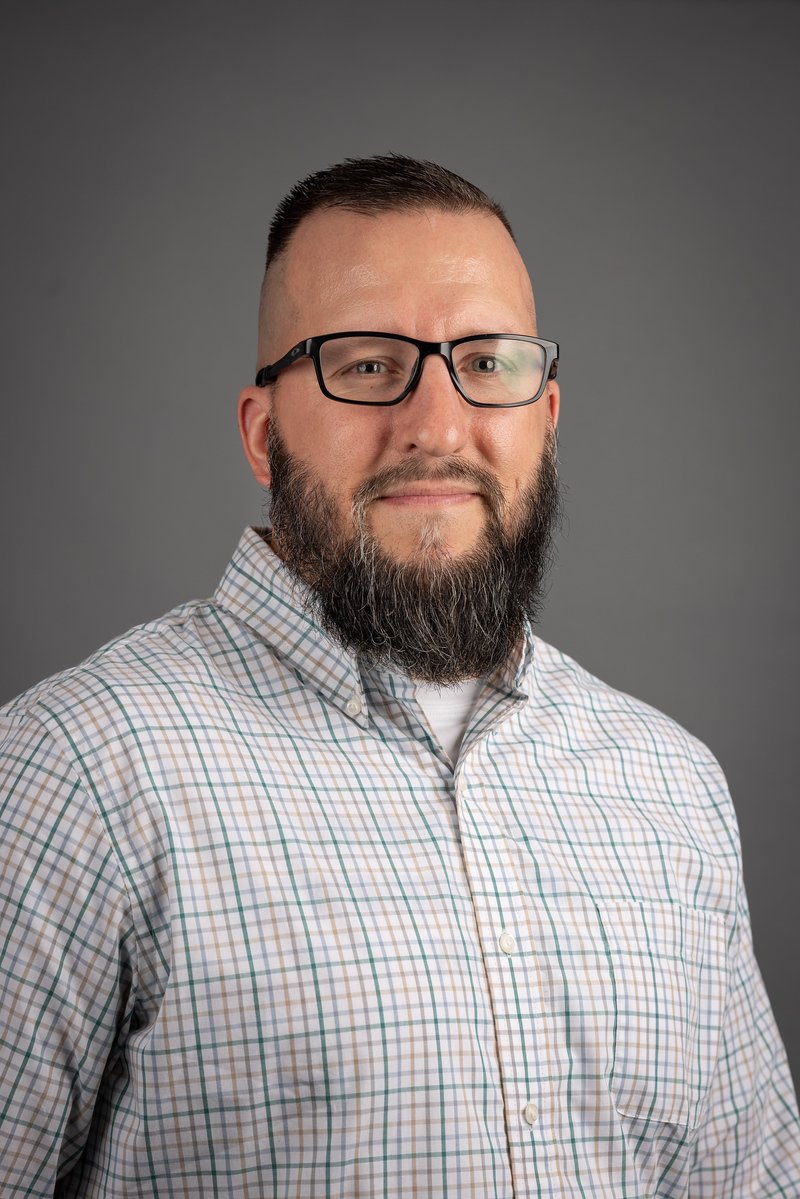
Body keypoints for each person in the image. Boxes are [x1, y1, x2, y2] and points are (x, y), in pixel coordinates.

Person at [0, 155, 797, 1199]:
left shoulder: (672, 788)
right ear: (260, 430)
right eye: (369, 364)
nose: (434, 419)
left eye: (485, 362)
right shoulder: (75, 776)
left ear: (543, 419)